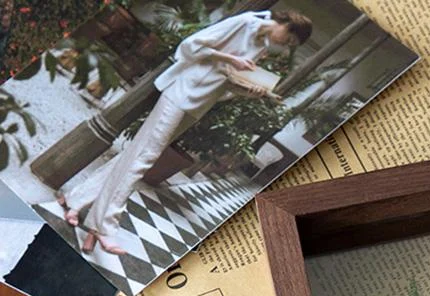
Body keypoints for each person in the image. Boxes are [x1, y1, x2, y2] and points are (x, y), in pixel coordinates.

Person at [58, 8, 312, 256]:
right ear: (286, 25)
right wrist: (229, 59)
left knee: (136, 153)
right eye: (289, 39)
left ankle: (76, 199)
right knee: (145, 157)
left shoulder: (260, 45)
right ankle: (103, 226)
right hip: (181, 92)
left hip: (198, 103)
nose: (285, 45)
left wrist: (249, 92)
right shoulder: (246, 22)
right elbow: (189, 46)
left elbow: (225, 81)